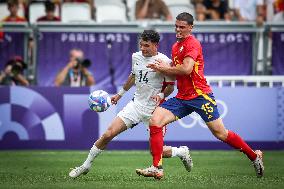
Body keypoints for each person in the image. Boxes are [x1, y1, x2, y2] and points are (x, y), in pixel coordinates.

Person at [135, 12, 264, 180]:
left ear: (191, 28)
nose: (178, 30)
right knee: (155, 121)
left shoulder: (192, 44)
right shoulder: (175, 47)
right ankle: (156, 168)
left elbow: (187, 69)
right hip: (182, 97)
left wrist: (164, 69)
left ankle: (254, 156)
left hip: (200, 95)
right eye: (176, 26)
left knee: (221, 134)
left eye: (182, 27)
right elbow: (175, 75)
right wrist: (161, 69)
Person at [69, 30, 193, 178]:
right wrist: (120, 94)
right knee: (108, 134)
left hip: (156, 111)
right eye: (141, 44)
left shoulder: (165, 62)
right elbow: (133, 76)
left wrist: (160, 95)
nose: (143, 48)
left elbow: (171, 87)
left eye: (146, 45)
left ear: (155, 45)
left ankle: (181, 152)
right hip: (136, 105)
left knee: (155, 152)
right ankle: (85, 166)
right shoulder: (136, 57)